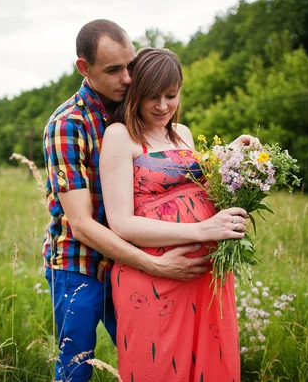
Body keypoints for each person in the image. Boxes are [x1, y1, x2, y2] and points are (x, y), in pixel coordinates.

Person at [43, 20, 251, 382]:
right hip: (83, 261)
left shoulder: (134, 110)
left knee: (152, 357)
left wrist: (234, 159)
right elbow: (82, 224)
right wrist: (154, 265)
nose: (126, 78)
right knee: (76, 366)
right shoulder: (69, 125)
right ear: (84, 68)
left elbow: (180, 172)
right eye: (114, 70)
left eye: (130, 66)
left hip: (146, 260)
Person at [99, 48, 253, 381]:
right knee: (159, 365)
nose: (163, 106)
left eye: (171, 95)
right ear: (135, 93)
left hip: (204, 276)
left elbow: (196, 186)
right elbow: (121, 223)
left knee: (209, 365)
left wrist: (233, 155)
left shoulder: (180, 132)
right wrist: (202, 231)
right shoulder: (119, 136)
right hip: (154, 278)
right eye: (152, 97)